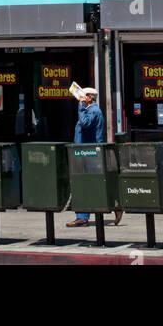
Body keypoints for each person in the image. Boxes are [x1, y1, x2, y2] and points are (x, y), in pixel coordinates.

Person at [66, 87, 122, 228]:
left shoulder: (93, 111)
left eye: (83, 96)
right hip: (83, 152)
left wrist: (81, 106)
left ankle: (116, 206)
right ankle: (82, 216)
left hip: (90, 153)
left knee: (94, 184)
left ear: (90, 97)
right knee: (84, 184)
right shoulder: (89, 110)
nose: (80, 98)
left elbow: (85, 123)